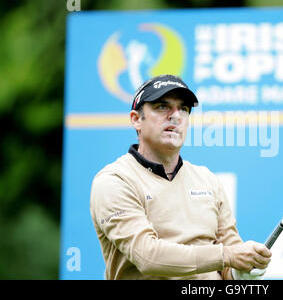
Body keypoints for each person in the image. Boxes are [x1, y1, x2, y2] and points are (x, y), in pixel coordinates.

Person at [90, 74, 272, 280]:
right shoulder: (114, 180)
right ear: (136, 119)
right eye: (162, 106)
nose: (175, 115)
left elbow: (228, 265)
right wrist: (227, 255)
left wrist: (241, 272)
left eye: (184, 109)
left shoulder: (207, 179)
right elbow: (148, 257)